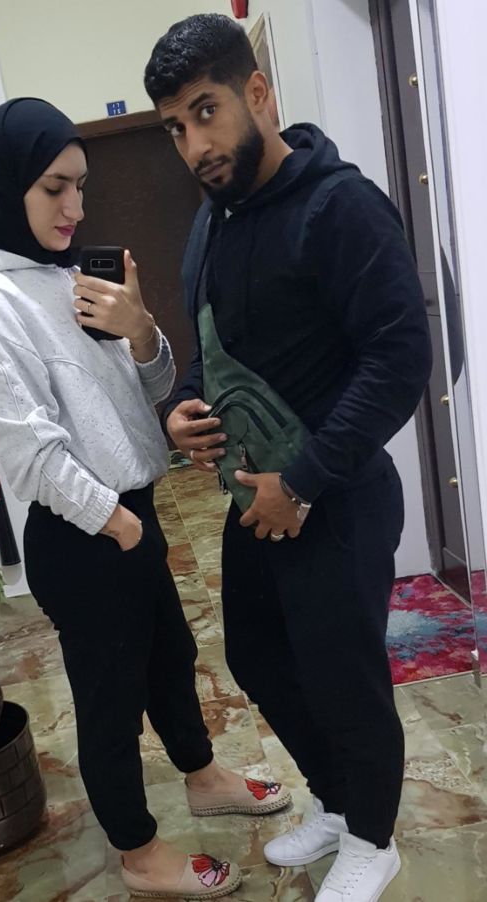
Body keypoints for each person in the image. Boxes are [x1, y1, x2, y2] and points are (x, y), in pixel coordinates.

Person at [0, 98, 292, 900]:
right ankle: (138, 854)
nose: (74, 207)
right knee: (110, 701)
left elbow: (148, 391)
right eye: (54, 188)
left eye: (80, 186)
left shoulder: (68, 276)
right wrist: (116, 522)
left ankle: (202, 775)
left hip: (131, 511)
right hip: (85, 532)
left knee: (170, 659)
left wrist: (141, 330)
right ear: (6, 185)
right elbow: (28, 447)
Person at [144, 15, 433, 902]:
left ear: (258, 93)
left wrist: (302, 483)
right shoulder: (211, 225)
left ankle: (374, 839)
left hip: (336, 497)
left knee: (344, 675)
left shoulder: (340, 206)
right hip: (253, 503)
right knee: (261, 659)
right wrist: (185, 404)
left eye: (206, 112)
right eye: (175, 127)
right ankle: (340, 804)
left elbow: (400, 357)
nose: (194, 145)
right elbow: (212, 347)